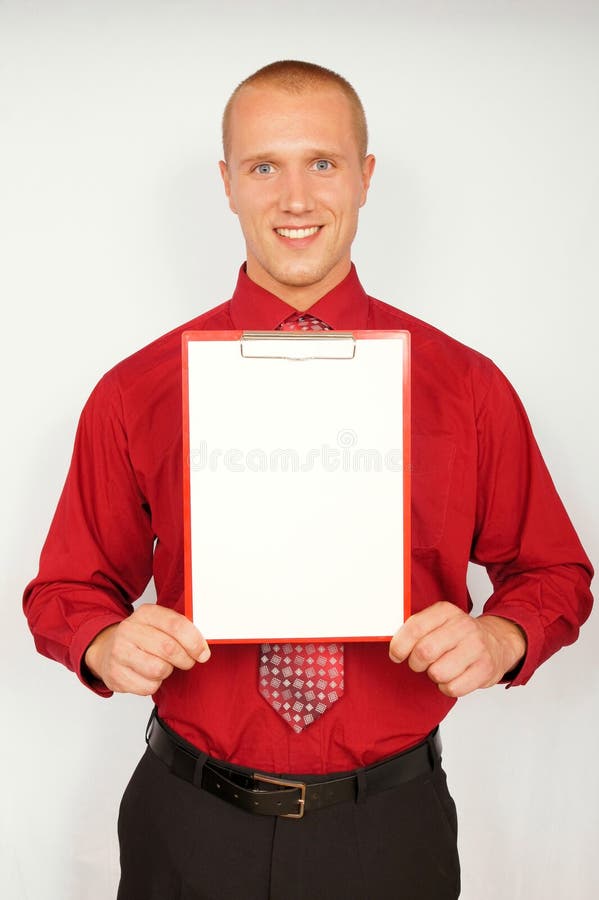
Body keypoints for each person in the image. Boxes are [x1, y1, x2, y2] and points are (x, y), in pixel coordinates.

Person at [24, 60, 593, 900]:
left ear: (365, 176)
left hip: (389, 828)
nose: (295, 198)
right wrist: (103, 642)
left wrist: (499, 637)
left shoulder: (467, 387)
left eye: (322, 163)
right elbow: (66, 588)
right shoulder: (135, 390)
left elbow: (552, 574)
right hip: (188, 821)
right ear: (226, 184)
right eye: (264, 166)